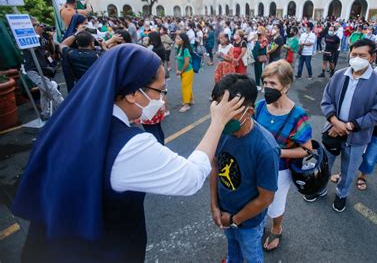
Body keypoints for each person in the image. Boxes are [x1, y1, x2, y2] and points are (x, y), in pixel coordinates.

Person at [13, 44, 245, 262]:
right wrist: (217, 122)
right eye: (160, 91)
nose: (162, 100)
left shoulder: (75, 118)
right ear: (133, 93)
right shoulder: (129, 146)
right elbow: (191, 178)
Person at [210, 74, 279, 263]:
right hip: (225, 212)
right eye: (218, 110)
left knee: (251, 253)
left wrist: (234, 220)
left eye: (228, 112)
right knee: (233, 247)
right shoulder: (222, 131)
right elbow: (215, 165)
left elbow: (266, 197)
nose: (220, 118)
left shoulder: (265, 148)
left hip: (248, 221)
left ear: (248, 112)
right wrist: (215, 206)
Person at [318, 39, 377, 212]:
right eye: (354, 54)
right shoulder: (339, 75)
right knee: (325, 163)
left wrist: (348, 126)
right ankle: (319, 189)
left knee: (349, 170)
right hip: (332, 131)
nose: (357, 58)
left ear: (372, 57)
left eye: (362, 55)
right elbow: (326, 101)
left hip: (356, 136)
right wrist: (335, 122)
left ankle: (341, 195)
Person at [254, 60, 312, 251]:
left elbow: (306, 150)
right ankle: (259, 224)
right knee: (257, 199)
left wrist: (277, 151)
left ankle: (277, 227)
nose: (267, 88)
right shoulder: (260, 106)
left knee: (275, 204)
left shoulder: (298, 115)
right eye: (266, 83)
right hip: (257, 165)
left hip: (280, 169)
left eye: (273, 84)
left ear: (286, 86)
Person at [25, 20, 64, 121]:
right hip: (34, 70)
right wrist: (37, 35)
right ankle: (65, 112)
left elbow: (51, 50)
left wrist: (50, 37)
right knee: (52, 89)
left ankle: (45, 114)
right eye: (37, 25)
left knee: (44, 92)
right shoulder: (27, 39)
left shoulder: (42, 38)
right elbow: (32, 49)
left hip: (43, 68)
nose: (41, 26)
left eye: (40, 24)